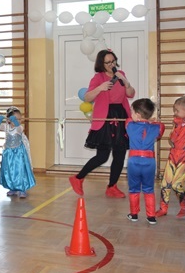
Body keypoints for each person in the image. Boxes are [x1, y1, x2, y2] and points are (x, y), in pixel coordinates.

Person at [68, 49, 136, 198]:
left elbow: (130, 94)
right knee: (103, 156)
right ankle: (78, 178)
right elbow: (87, 97)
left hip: (120, 115)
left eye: (113, 61)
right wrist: (100, 88)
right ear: (101, 64)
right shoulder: (98, 77)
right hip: (105, 117)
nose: (112, 64)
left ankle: (112, 186)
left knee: (120, 154)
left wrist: (126, 82)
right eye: (108, 62)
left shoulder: (121, 74)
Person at [125, 99, 165, 224]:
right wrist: (150, 121)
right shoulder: (157, 127)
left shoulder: (130, 125)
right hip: (149, 162)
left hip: (133, 162)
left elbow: (128, 120)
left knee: (134, 189)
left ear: (137, 114)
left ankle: (134, 214)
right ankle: (151, 216)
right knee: (149, 189)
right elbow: (161, 127)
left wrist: (143, 120)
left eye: (132, 111)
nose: (130, 114)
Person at [0, 107, 36, 198]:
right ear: (9, 120)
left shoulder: (19, 128)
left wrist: (15, 121)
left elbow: (19, 128)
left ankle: (22, 188)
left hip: (18, 153)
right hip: (8, 153)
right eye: (16, 119)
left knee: (20, 170)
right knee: (10, 170)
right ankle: (12, 187)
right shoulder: (6, 127)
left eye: (19, 119)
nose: (19, 120)